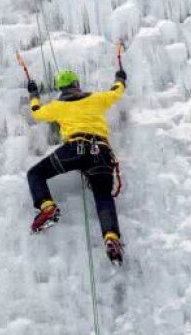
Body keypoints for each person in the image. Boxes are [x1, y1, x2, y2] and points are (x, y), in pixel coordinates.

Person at [25, 67, 127, 264]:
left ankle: (48, 207)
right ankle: (111, 238)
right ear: (77, 85)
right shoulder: (97, 98)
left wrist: (33, 93)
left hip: (74, 150)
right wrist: (120, 77)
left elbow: (36, 113)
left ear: (61, 89)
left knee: (35, 174)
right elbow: (117, 91)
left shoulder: (58, 106)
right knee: (103, 196)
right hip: (102, 153)